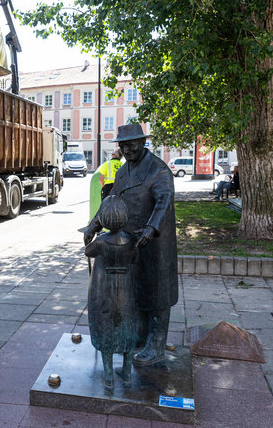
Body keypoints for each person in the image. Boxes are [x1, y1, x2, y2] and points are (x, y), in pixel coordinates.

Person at [83, 123, 178, 371]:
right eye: (123, 145)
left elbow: (164, 202)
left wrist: (151, 228)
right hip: (130, 243)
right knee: (137, 290)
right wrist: (94, 226)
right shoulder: (124, 171)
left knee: (157, 294)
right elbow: (111, 200)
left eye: (132, 144)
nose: (127, 149)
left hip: (155, 243)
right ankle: (140, 336)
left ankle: (156, 345)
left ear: (143, 142)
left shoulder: (158, 170)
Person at [84, 195, 138, 387]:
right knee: (127, 325)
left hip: (103, 289)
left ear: (104, 218)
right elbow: (134, 258)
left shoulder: (101, 242)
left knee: (104, 325)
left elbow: (87, 251)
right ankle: (127, 371)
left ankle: (108, 375)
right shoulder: (132, 241)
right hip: (126, 288)